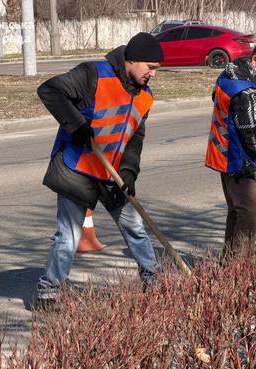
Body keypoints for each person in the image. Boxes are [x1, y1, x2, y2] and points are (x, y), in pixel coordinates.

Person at [35, 32, 163, 304]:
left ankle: (153, 280)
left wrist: (129, 171)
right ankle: (49, 292)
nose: (153, 74)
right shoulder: (93, 74)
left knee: (135, 227)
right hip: (77, 169)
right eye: (150, 67)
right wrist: (77, 126)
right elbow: (49, 90)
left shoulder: (145, 97)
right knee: (68, 236)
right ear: (132, 60)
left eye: (156, 69)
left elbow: (135, 137)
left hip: (112, 175)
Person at [205, 40, 256, 255]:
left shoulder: (230, 75)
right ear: (255, 60)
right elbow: (251, 135)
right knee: (249, 212)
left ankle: (228, 264)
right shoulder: (245, 92)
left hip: (224, 154)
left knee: (237, 211)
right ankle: (239, 264)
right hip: (237, 159)